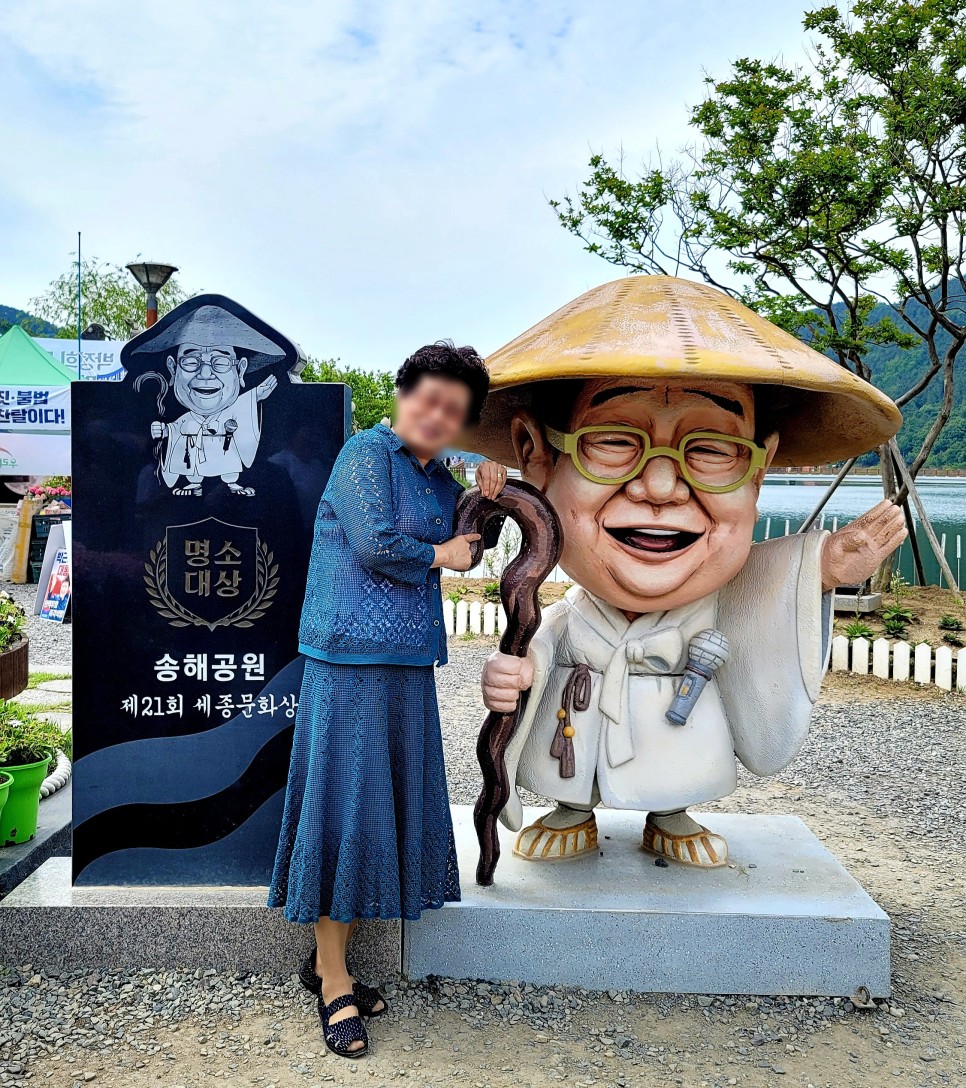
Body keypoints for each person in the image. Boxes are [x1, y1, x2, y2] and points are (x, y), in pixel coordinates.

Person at [468, 276, 905, 869]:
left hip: (680, 707)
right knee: (570, 753)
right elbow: (538, 652)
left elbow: (760, 587)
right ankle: (574, 807)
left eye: (711, 449)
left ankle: (671, 810)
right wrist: (513, 673)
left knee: (677, 759)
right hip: (579, 711)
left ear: (758, 469)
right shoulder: (570, 618)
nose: (662, 487)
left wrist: (821, 569)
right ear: (534, 454)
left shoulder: (711, 604)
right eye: (616, 440)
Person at [268, 341, 506, 1058]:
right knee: (344, 810)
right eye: (427, 399)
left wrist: (488, 499)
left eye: (454, 411)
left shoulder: (439, 477)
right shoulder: (364, 454)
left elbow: (472, 543)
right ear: (402, 395)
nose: (436, 416)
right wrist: (443, 556)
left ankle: (326, 963)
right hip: (345, 663)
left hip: (405, 664)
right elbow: (376, 543)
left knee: (374, 812)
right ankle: (333, 981)